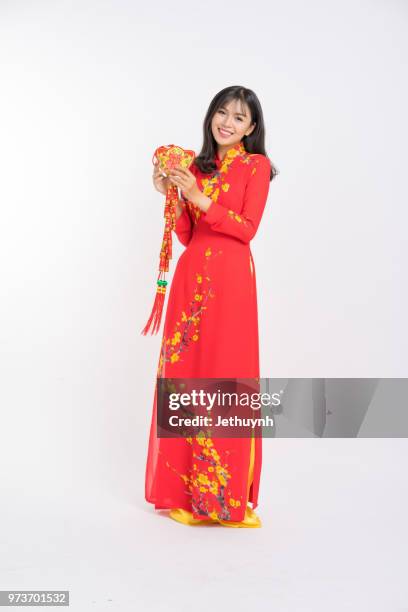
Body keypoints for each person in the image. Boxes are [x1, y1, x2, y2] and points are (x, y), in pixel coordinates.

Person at [144, 85, 278, 527]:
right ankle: (184, 493)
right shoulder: (197, 168)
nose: (227, 122)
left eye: (239, 118)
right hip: (191, 278)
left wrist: (200, 199)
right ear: (210, 118)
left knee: (225, 379)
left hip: (232, 281)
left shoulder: (256, 167)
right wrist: (174, 193)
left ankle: (223, 496)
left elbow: (246, 228)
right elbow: (187, 234)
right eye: (221, 113)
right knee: (186, 378)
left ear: (251, 128)